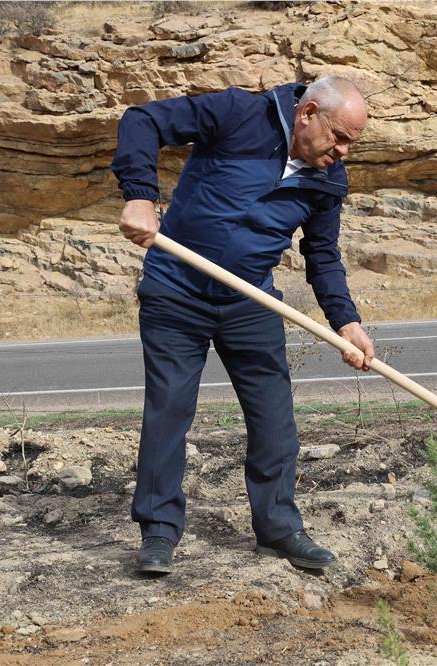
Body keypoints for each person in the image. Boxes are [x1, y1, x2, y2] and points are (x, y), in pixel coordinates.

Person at [111, 76, 375, 574]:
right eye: (338, 137)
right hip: (175, 291)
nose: (342, 151)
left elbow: (322, 254)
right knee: (168, 411)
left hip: (250, 301)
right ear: (309, 112)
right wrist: (141, 196)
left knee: (275, 418)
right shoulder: (239, 114)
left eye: (350, 144)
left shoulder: (327, 180)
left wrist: (347, 321)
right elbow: (142, 120)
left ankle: (278, 529)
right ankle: (159, 533)